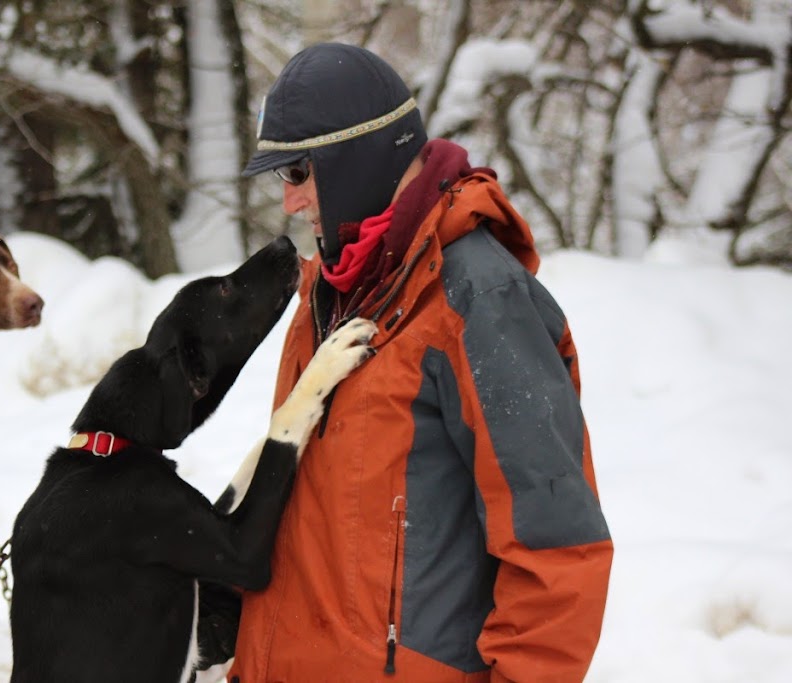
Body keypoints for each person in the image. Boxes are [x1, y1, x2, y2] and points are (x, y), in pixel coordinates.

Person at [228, 43, 613, 683]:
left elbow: (556, 544)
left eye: (299, 172)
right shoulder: (333, 289)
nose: (291, 202)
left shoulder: (479, 301)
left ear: (354, 159)